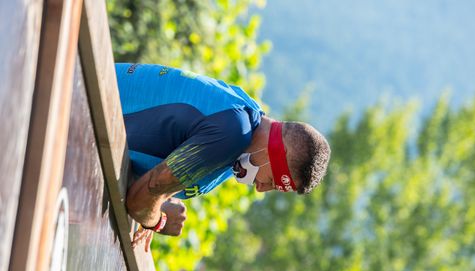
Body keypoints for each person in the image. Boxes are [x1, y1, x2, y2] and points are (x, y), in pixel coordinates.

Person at [115, 63, 331, 251]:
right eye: (273, 182)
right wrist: (159, 221)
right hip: (89, 116)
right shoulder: (233, 134)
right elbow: (139, 201)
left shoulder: (245, 118)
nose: (261, 188)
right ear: (275, 154)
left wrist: (160, 199)